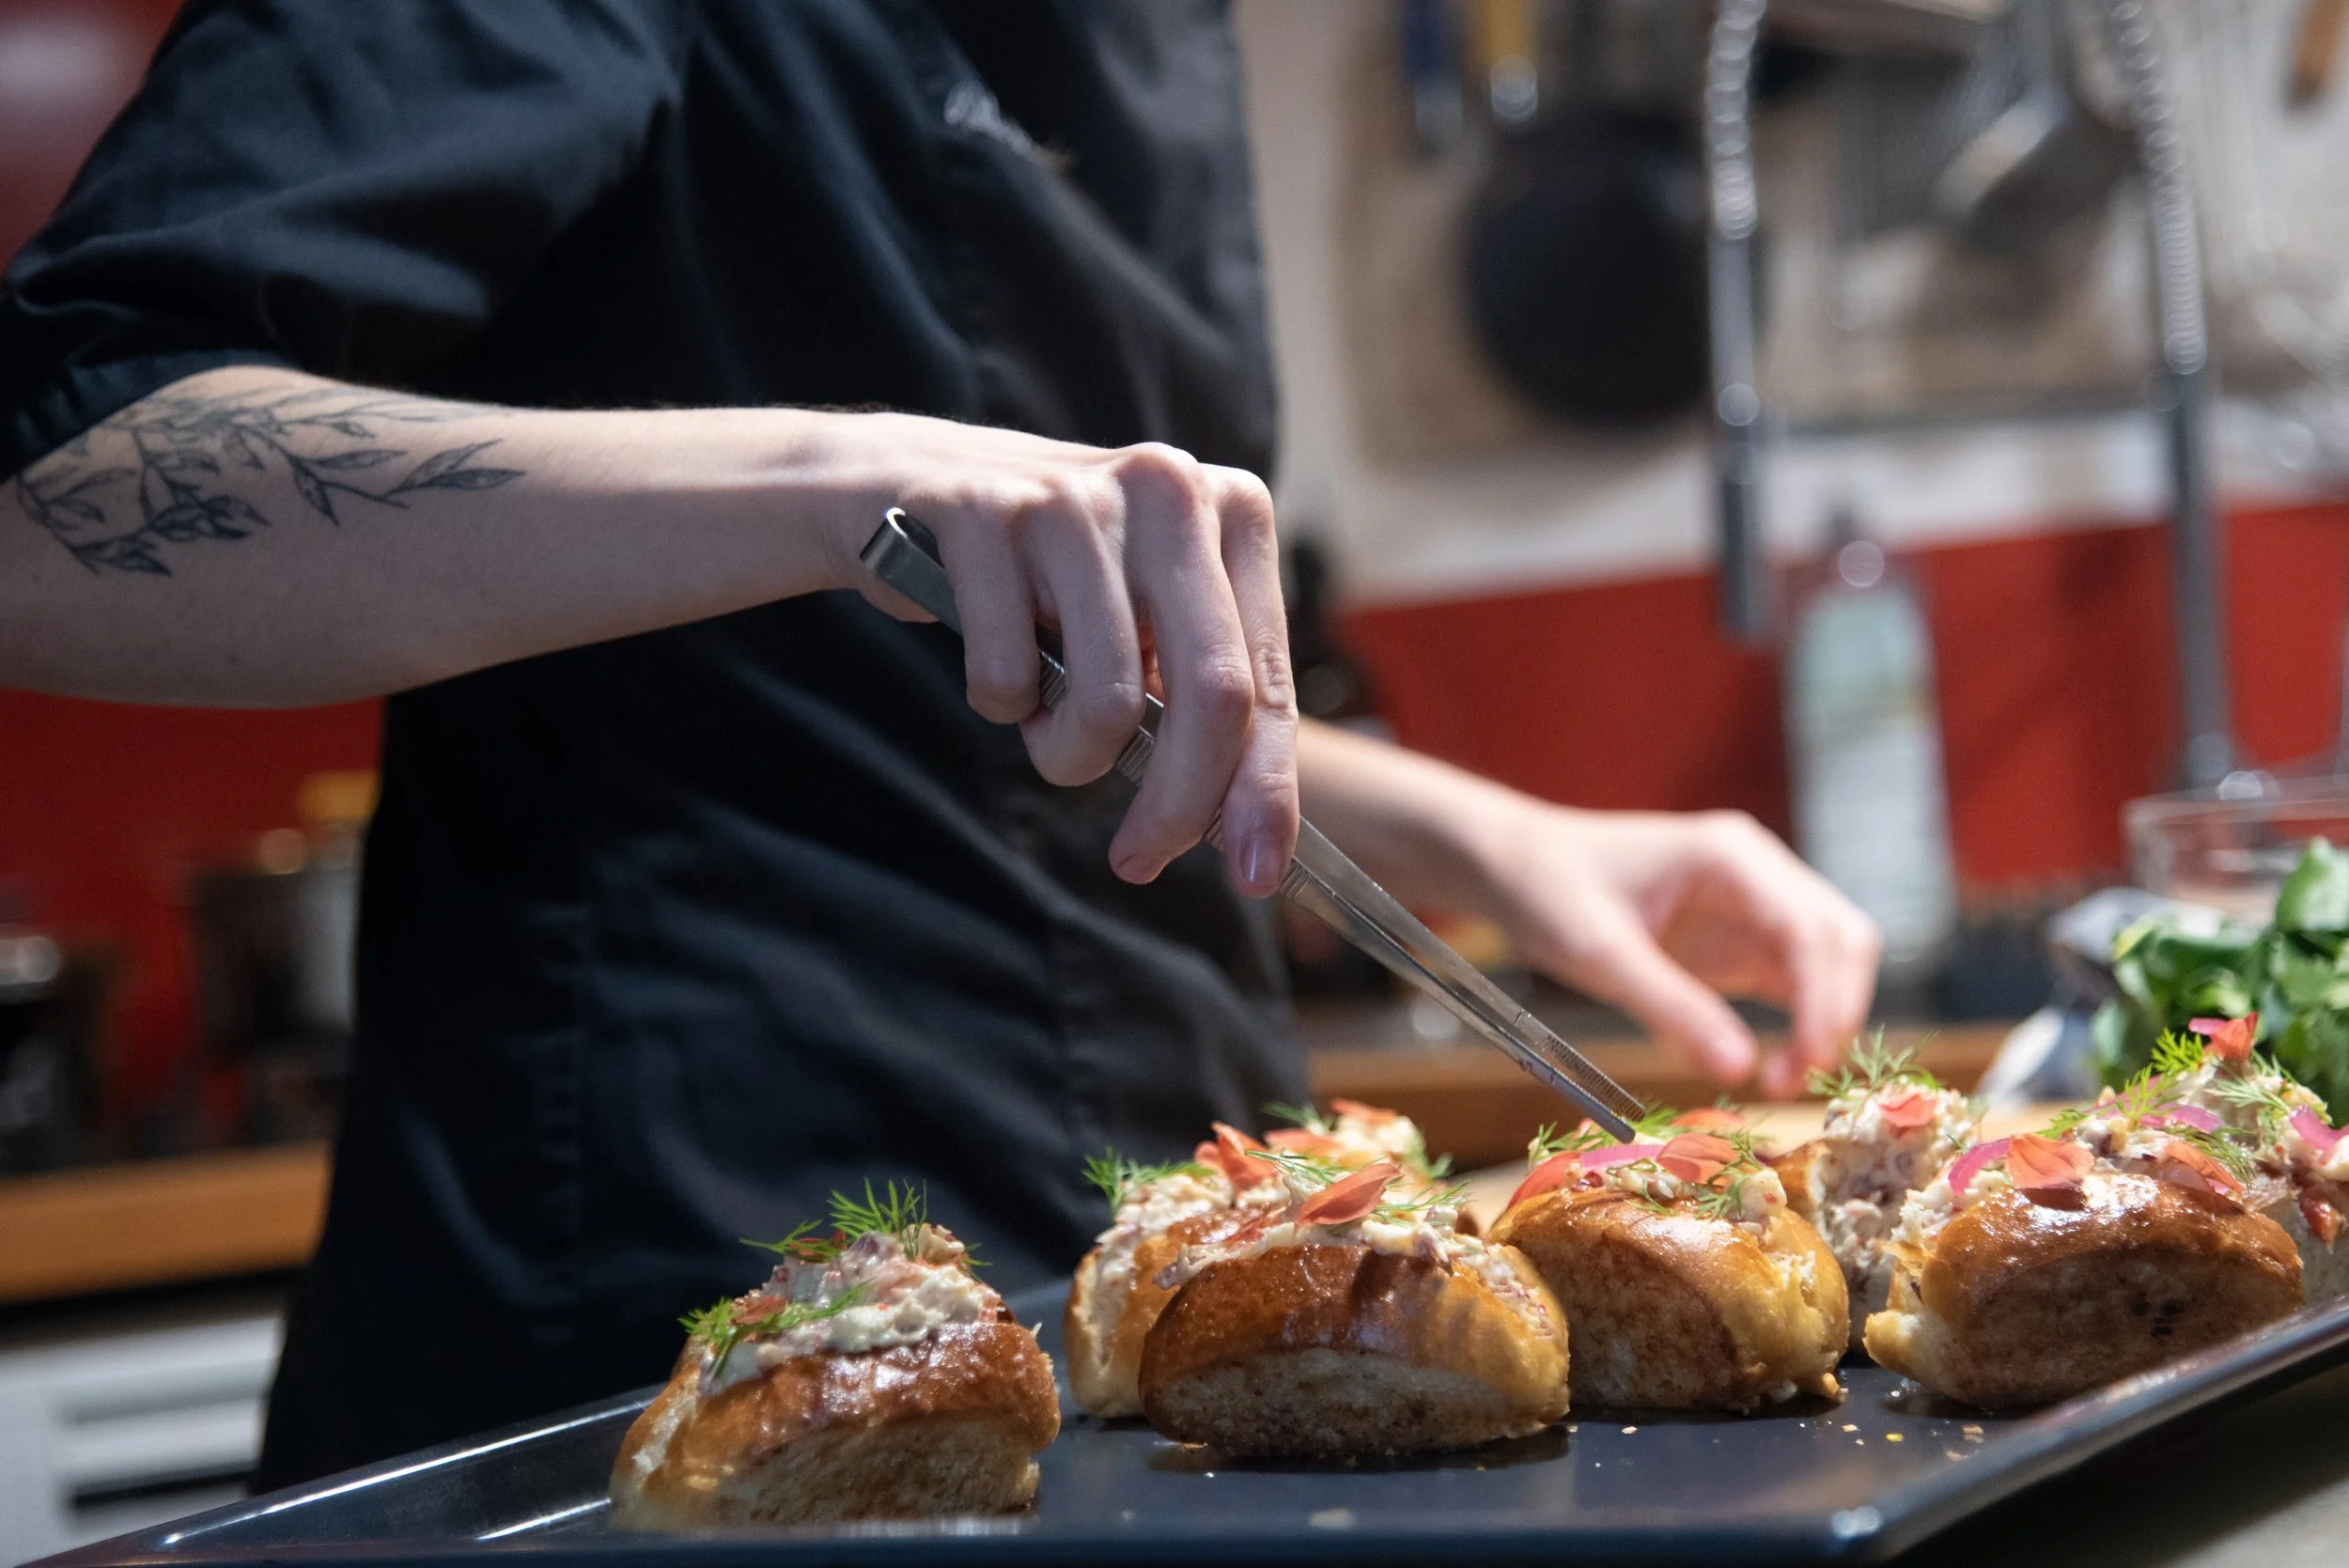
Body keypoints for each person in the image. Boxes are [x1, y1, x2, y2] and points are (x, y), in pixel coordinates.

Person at [0, 0, 1878, 1483]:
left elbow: (997, 673)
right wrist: (851, 474)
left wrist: (1481, 835)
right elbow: (47, 491)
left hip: (1178, 1337)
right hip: (684, 1337)